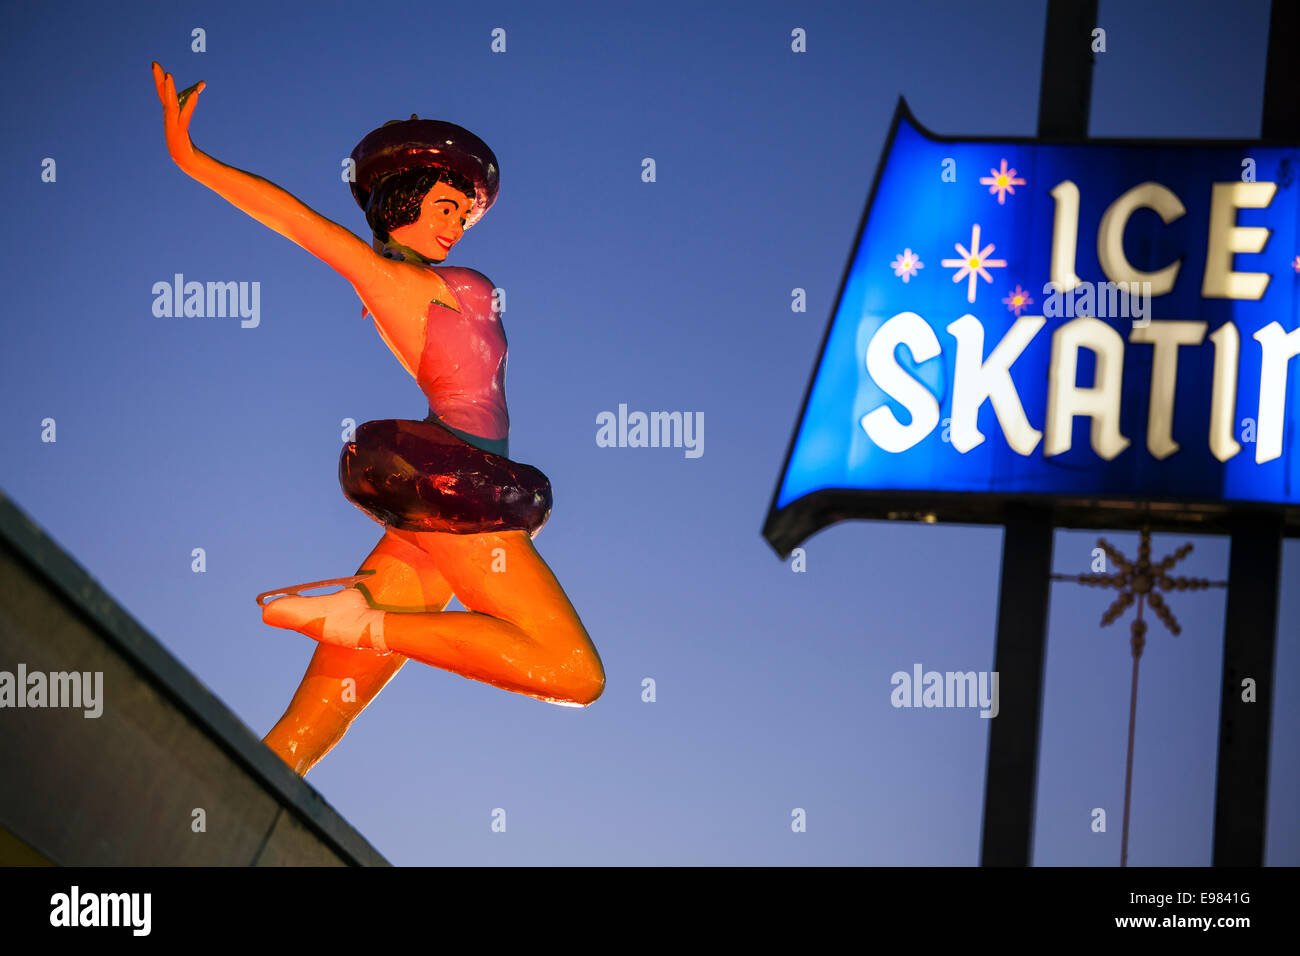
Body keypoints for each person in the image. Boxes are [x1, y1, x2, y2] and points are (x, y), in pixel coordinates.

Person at [151, 64, 605, 776]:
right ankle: (364, 621)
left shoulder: (432, 282)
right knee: (573, 672)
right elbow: (299, 223)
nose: (456, 224)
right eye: (445, 206)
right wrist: (191, 158)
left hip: (440, 501)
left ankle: (199, 821)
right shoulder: (393, 281)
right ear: (405, 201)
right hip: (455, 488)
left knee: (303, 738)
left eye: (464, 213)